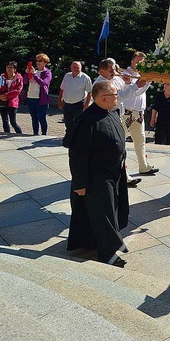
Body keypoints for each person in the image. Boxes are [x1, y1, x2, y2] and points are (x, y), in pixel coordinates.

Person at [64, 81, 129, 268]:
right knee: (104, 213)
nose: (117, 97)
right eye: (114, 95)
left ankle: (94, 241)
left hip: (113, 171)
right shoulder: (87, 121)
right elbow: (77, 155)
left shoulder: (111, 113)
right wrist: (80, 184)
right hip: (96, 176)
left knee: (107, 211)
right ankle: (107, 253)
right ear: (102, 98)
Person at [93, 58, 148, 187]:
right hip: (107, 117)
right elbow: (119, 97)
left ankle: (121, 174)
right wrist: (134, 85)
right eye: (110, 70)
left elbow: (129, 93)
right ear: (101, 71)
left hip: (117, 116)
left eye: (114, 69)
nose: (114, 72)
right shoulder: (101, 83)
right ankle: (121, 175)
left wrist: (129, 83)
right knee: (115, 148)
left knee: (119, 148)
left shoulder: (115, 79)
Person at [121, 52, 159, 176]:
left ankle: (143, 166)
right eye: (137, 61)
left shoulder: (140, 75)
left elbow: (140, 92)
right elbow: (135, 92)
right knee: (121, 141)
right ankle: (121, 169)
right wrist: (147, 83)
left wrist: (147, 81)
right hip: (126, 113)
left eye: (143, 62)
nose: (140, 64)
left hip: (138, 114)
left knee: (140, 140)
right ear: (132, 61)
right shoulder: (125, 74)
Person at [58, 61, 92, 133]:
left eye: (78, 67)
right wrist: (60, 100)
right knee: (68, 124)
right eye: (74, 67)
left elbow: (90, 92)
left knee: (78, 124)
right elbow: (62, 89)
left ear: (81, 68)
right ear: (71, 68)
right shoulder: (67, 76)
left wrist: (86, 104)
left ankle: (77, 140)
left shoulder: (85, 78)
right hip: (67, 104)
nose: (76, 69)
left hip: (79, 104)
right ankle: (69, 139)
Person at [25, 53, 52, 136]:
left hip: (41, 99)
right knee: (34, 118)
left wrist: (35, 75)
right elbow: (25, 82)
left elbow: (43, 83)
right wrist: (26, 73)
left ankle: (44, 135)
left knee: (42, 118)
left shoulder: (47, 72)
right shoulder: (34, 71)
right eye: (37, 61)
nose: (38, 63)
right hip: (30, 97)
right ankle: (35, 134)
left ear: (45, 62)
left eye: (40, 61)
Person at [0, 61, 23, 134]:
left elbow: (18, 90)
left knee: (13, 122)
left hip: (12, 101)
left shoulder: (19, 77)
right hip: (2, 100)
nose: (9, 69)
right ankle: (7, 133)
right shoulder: (2, 76)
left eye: (11, 67)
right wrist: (0, 95)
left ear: (15, 69)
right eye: (7, 67)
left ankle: (20, 134)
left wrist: (6, 95)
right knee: (4, 121)